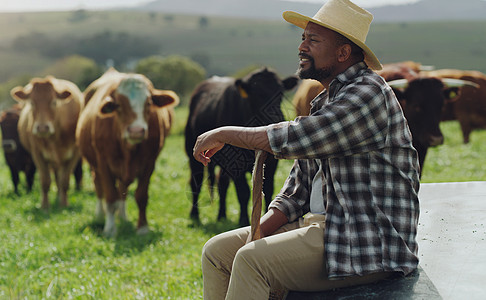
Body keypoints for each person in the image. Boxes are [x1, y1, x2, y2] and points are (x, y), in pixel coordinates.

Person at [193, 0, 420, 299]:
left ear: (343, 53)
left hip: (366, 240)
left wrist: (225, 133)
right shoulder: (325, 102)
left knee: (251, 261)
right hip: (325, 229)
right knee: (217, 252)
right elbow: (297, 189)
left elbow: (296, 137)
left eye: (313, 40)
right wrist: (257, 231)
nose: (302, 47)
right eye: (303, 38)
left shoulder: (368, 94)